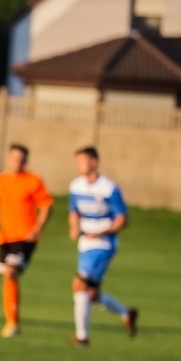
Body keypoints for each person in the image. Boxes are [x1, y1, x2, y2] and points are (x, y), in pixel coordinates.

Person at [0, 143, 53, 338]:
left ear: (26, 161)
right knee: (7, 277)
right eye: (14, 158)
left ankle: (12, 323)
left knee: (10, 272)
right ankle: (12, 320)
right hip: (5, 238)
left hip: (25, 237)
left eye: (21, 159)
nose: (17, 162)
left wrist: (37, 229)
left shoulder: (33, 180)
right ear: (8, 158)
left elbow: (47, 206)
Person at [67, 146, 138, 345]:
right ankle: (126, 314)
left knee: (79, 284)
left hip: (104, 244)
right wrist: (73, 227)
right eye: (77, 161)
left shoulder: (108, 187)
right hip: (85, 244)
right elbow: (74, 211)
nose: (78, 165)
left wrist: (101, 232)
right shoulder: (75, 186)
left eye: (82, 161)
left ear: (94, 162)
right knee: (91, 293)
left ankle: (82, 337)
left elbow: (122, 219)